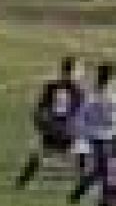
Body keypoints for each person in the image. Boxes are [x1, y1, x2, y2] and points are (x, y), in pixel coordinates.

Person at [14, 57, 87, 188]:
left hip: (55, 128)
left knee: (40, 154)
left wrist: (40, 123)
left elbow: (40, 108)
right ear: (72, 71)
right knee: (81, 152)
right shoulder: (76, 91)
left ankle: (22, 182)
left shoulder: (54, 87)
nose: (80, 74)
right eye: (78, 70)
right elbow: (80, 113)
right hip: (64, 130)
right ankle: (83, 183)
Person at [72, 62, 116, 170]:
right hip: (107, 137)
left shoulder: (88, 93)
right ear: (112, 79)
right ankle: (115, 173)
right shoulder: (114, 96)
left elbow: (80, 116)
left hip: (89, 136)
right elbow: (112, 119)